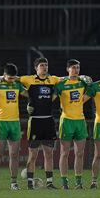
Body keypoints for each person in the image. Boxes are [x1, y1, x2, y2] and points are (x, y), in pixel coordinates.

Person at [19, 58, 61, 190]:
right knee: (33, 154)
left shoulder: (53, 79)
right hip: (35, 120)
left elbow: (66, 79)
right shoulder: (28, 79)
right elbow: (12, 79)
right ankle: (30, 183)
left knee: (49, 153)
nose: (44, 67)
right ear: (36, 68)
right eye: (42, 65)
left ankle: (49, 182)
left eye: (46, 65)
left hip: (49, 120)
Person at [0, 63, 28, 191]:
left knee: (14, 154)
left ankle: (14, 183)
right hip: (2, 122)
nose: (11, 80)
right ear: (4, 75)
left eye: (13, 78)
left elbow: (28, 93)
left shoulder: (17, 83)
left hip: (15, 122)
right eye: (9, 78)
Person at [55, 59, 90, 190]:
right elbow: (51, 96)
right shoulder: (61, 84)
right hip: (66, 121)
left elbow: (92, 88)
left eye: (78, 68)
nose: (76, 70)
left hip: (80, 121)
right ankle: (64, 182)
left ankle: (78, 182)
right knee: (64, 153)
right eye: (73, 68)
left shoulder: (82, 82)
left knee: (79, 153)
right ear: (68, 69)